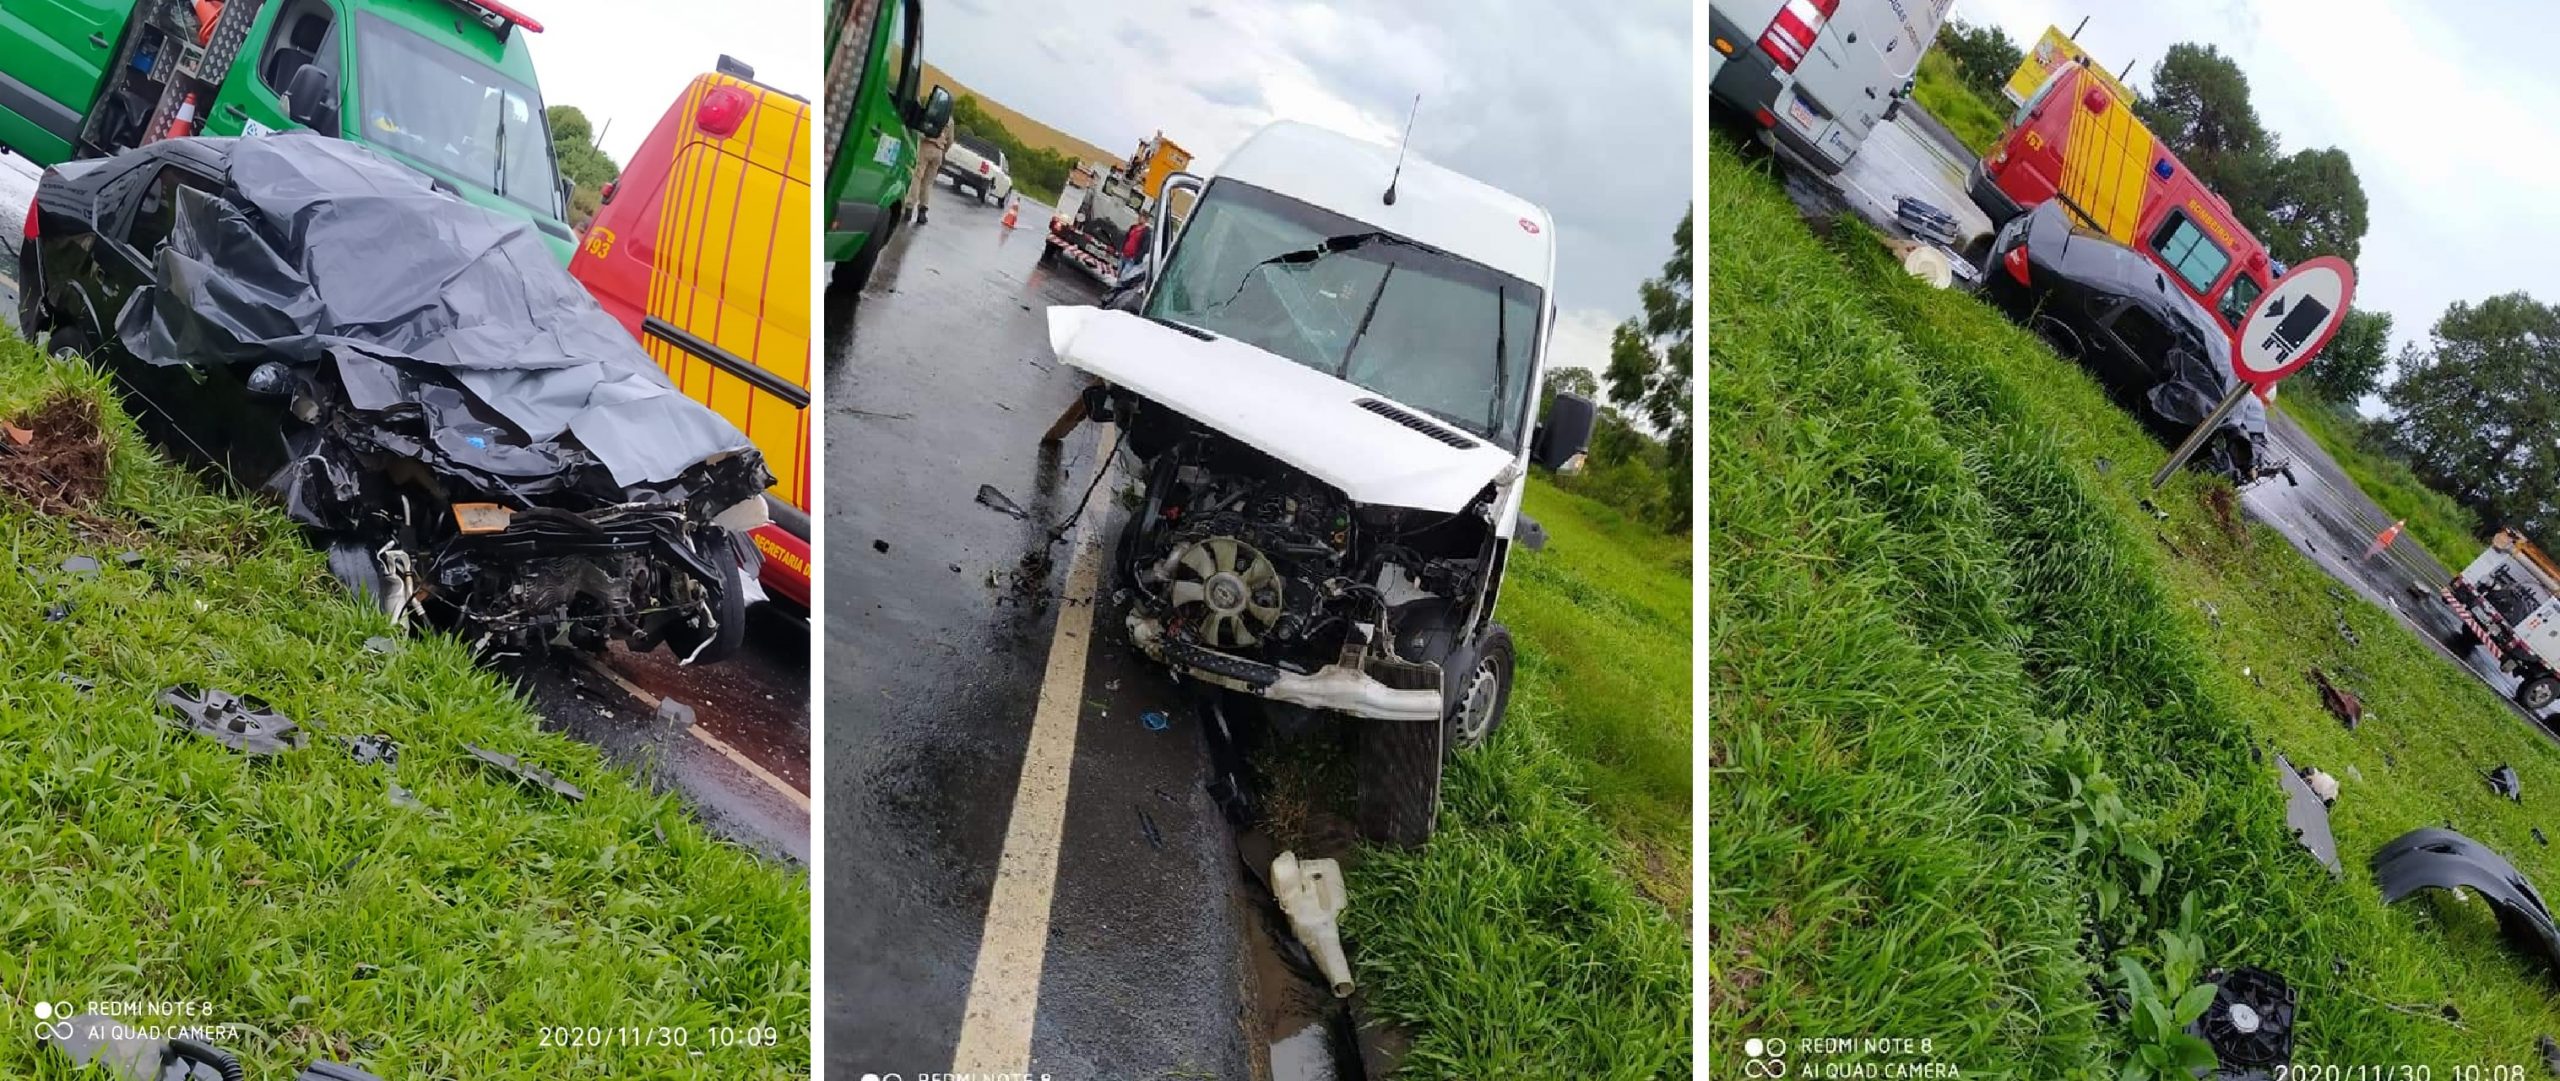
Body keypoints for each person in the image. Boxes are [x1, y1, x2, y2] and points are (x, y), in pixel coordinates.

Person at [909, 124, 952, 225]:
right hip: (939, 151)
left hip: (927, 145)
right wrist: (943, 150)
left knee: (917, 177)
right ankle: (922, 210)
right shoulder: (950, 120)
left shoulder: (933, 110)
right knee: (928, 183)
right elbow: (950, 140)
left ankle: (909, 206)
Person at [1118, 216, 1151, 284]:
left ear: (1145, 220)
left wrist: (1136, 258)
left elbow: (1145, 248)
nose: (1139, 219)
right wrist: (1121, 250)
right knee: (1119, 273)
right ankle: (1116, 286)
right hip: (1124, 254)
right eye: (1139, 217)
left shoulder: (1146, 232)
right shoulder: (1133, 227)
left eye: (1142, 218)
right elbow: (1126, 239)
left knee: (1124, 276)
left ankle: (1117, 289)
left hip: (1131, 258)